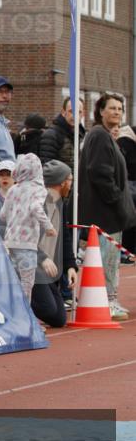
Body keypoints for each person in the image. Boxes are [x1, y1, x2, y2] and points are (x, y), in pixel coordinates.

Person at [78, 93, 135, 320]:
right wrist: (116, 200)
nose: (117, 112)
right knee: (107, 259)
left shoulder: (104, 136)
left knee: (108, 258)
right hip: (104, 212)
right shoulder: (99, 136)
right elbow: (100, 173)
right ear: (101, 111)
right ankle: (107, 300)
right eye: (112, 108)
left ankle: (107, 298)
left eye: (120, 108)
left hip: (107, 211)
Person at [1, 153, 56, 303]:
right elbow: (36, 208)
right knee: (26, 284)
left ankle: (11, 315)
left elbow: (3, 214)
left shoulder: (13, 189)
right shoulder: (39, 190)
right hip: (27, 244)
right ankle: (26, 319)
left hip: (10, 242)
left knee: (11, 281)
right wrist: (49, 227)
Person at [30, 161, 78, 327]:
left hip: (46, 270)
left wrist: (70, 266)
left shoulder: (60, 204)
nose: (71, 184)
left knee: (59, 319)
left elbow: (64, 237)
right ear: (62, 182)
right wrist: (42, 258)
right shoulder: (37, 203)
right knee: (48, 310)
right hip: (31, 264)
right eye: (70, 180)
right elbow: (24, 238)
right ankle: (19, 303)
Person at [40, 96, 86, 172]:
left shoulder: (83, 135)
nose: (75, 115)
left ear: (83, 114)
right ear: (63, 112)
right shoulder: (51, 135)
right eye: (71, 111)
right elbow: (47, 167)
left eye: (79, 112)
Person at [117, 124, 136, 257]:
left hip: (131, 184)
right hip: (129, 185)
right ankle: (127, 250)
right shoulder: (125, 141)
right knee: (130, 218)